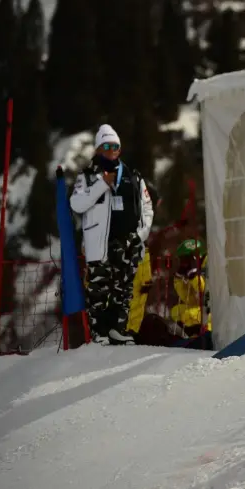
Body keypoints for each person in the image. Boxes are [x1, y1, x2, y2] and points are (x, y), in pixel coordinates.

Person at [70, 124, 154, 345]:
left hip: (128, 241)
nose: (110, 150)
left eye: (115, 146)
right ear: (98, 149)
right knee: (98, 287)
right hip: (100, 242)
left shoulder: (133, 176)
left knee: (124, 287)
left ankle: (118, 328)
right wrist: (101, 185)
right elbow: (76, 204)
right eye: (106, 146)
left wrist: (140, 234)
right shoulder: (87, 177)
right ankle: (99, 332)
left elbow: (147, 207)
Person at [126, 180, 160, 338]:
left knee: (139, 296)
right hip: (134, 254)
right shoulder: (137, 215)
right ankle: (129, 331)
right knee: (134, 296)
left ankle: (132, 330)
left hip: (140, 254)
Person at [171, 239, 212, 347]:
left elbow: (204, 293)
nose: (184, 264)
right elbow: (188, 299)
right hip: (200, 308)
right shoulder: (193, 269)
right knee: (176, 311)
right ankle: (194, 335)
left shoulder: (209, 264)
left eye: (185, 260)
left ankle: (203, 334)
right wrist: (179, 279)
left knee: (189, 315)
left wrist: (195, 277)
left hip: (212, 309)